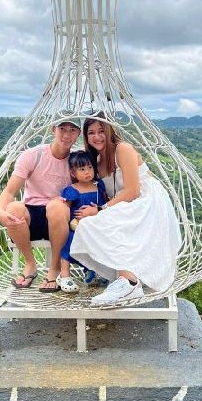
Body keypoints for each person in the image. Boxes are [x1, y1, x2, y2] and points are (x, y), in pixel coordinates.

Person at [70, 116, 182, 306]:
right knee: (89, 223)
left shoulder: (123, 149)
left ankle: (128, 281)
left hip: (147, 200)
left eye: (101, 131)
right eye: (91, 133)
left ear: (109, 131)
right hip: (122, 203)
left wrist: (100, 209)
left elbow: (132, 190)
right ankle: (127, 280)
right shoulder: (95, 161)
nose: (97, 136)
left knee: (110, 220)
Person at [0, 120, 81, 291]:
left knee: (56, 206)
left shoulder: (76, 160)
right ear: (53, 130)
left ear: (78, 134)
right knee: (13, 208)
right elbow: (10, 191)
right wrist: (0, 212)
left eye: (72, 130)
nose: (66, 135)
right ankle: (30, 264)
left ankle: (55, 267)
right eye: (62, 129)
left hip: (59, 219)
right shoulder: (34, 155)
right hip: (32, 214)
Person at [57, 150, 107, 293]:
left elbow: (106, 203)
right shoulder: (72, 190)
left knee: (100, 240)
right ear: (73, 173)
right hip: (77, 226)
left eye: (90, 167)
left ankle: (92, 270)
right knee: (71, 240)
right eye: (82, 169)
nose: (87, 172)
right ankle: (65, 273)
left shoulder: (99, 186)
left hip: (97, 225)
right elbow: (65, 210)